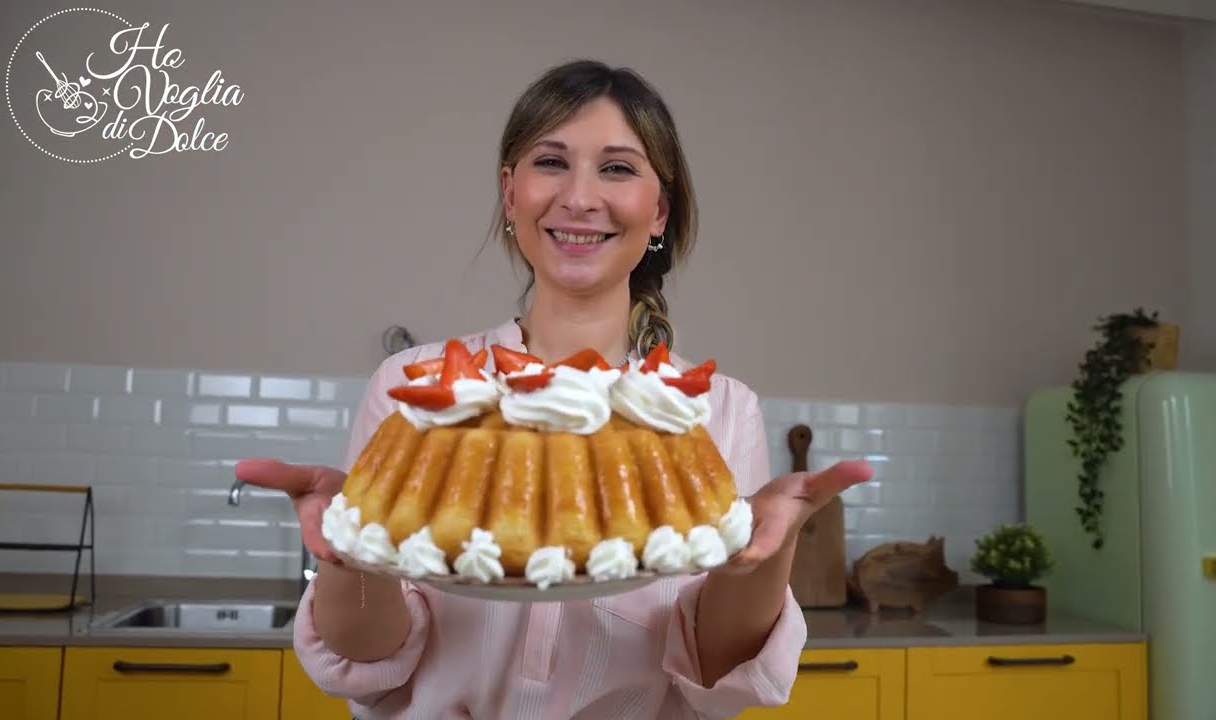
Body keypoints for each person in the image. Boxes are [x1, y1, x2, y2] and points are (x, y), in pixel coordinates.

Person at [234, 58, 873, 720]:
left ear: (660, 210)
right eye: (551, 162)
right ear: (510, 194)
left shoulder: (710, 411)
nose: (579, 197)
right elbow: (367, 664)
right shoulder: (416, 394)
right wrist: (351, 560)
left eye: (618, 168)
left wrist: (762, 563)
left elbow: (713, 673)